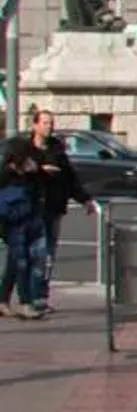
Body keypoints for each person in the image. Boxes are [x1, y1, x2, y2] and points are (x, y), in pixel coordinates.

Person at [1, 112, 80, 317]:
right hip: (18, 217)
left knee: (34, 257)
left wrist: (85, 199)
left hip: (40, 211)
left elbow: (69, 179)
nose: (50, 126)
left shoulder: (55, 151)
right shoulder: (17, 159)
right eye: (45, 123)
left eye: (51, 123)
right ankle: (27, 302)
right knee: (22, 260)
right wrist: (34, 169)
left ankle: (26, 299)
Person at [0, 140, 43, 318]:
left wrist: (36, 172)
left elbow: (38, 192)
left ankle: (2, 300)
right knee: (21, 262)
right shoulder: (5, 174)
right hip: (12, 223)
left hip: (27, 221)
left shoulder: (29, 173)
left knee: (14, 263)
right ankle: (25, 303)